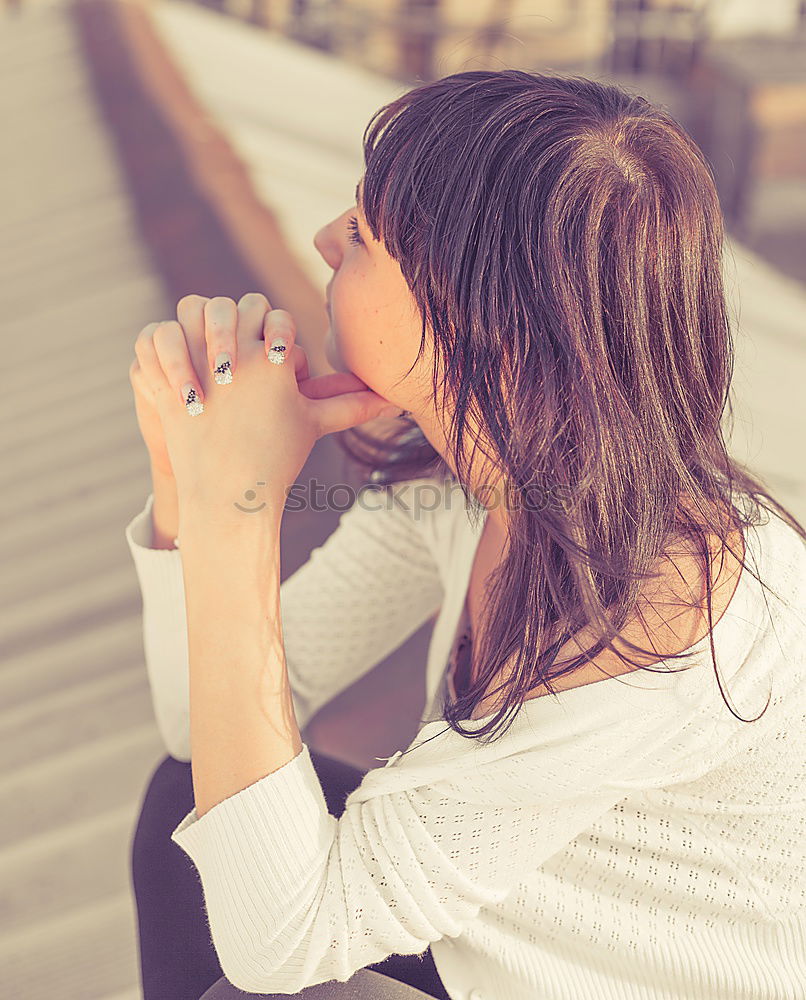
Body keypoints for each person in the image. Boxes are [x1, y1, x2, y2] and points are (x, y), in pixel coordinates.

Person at [126, 70, 806, 1000]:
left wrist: (231, 508)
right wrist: (183, 466)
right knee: (186, 810)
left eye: (365, 237)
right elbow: (191, 724)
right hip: (514, 948)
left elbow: (277, 947)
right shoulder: (483, 479)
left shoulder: (658, 613)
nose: (326, 240)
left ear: (489, 326)